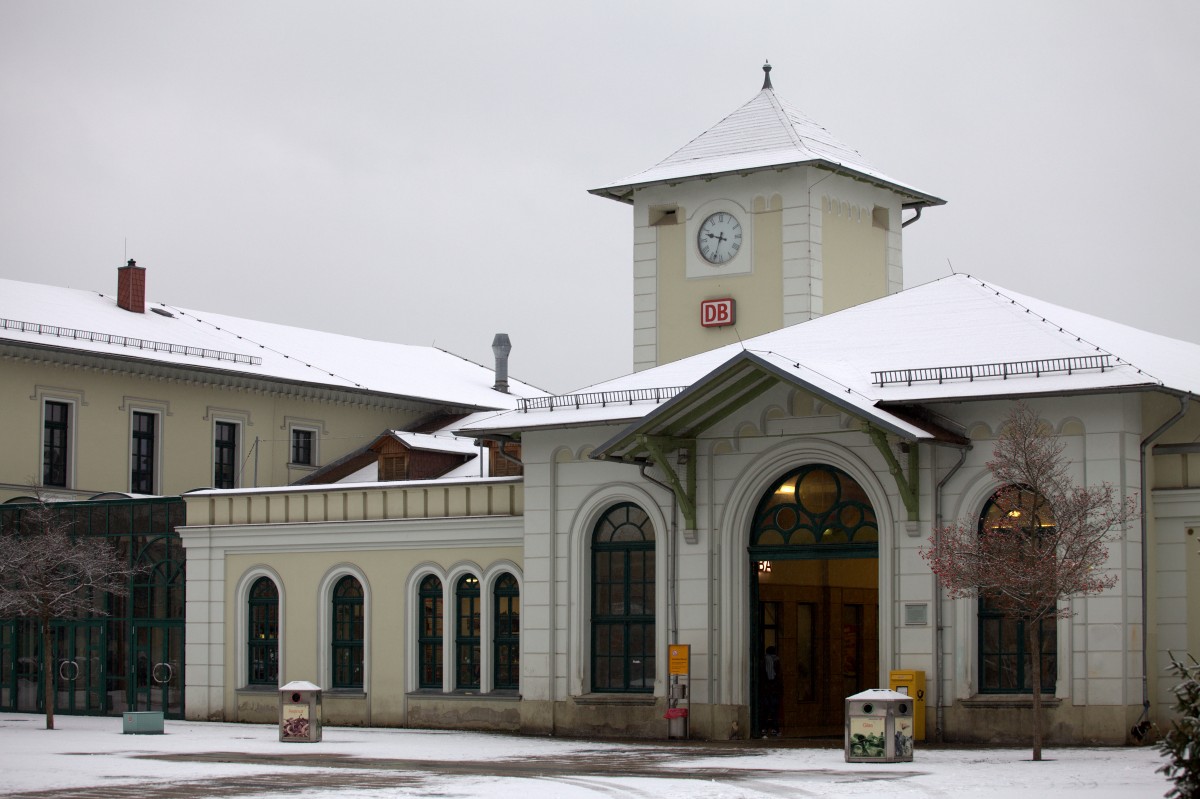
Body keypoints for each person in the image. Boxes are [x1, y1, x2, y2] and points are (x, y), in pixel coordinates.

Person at [762, 645, 781, 736]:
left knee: (765, 709)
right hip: (773, 689)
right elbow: (779, 676)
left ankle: (764, 728)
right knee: (774, 710)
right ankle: (774, 728)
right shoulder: (776, 661)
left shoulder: (764, 660)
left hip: (766, 689)